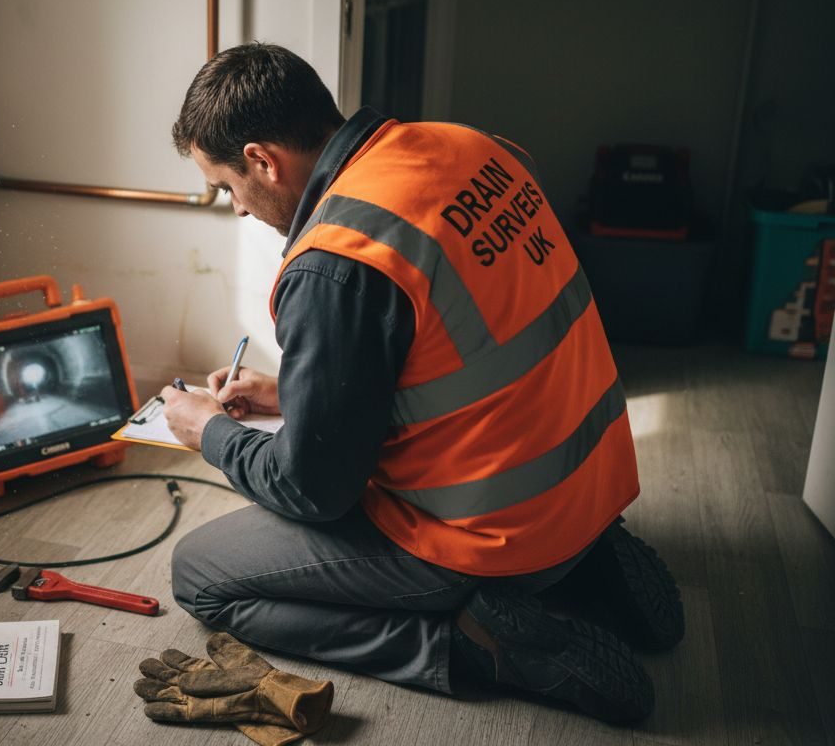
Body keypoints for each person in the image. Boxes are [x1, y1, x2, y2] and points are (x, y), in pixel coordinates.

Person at [157, 42, 683, 724]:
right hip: (586, 478)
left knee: (200, 574)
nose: (237, 207)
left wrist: (213, 432)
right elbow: (466, 343)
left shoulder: (338, 260)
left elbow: (314, 490)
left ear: (262, 159)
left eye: (227, 185)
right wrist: (293, 393)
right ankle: (583, 562)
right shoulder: (470, 149)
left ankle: (482, 647)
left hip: (489, 533)